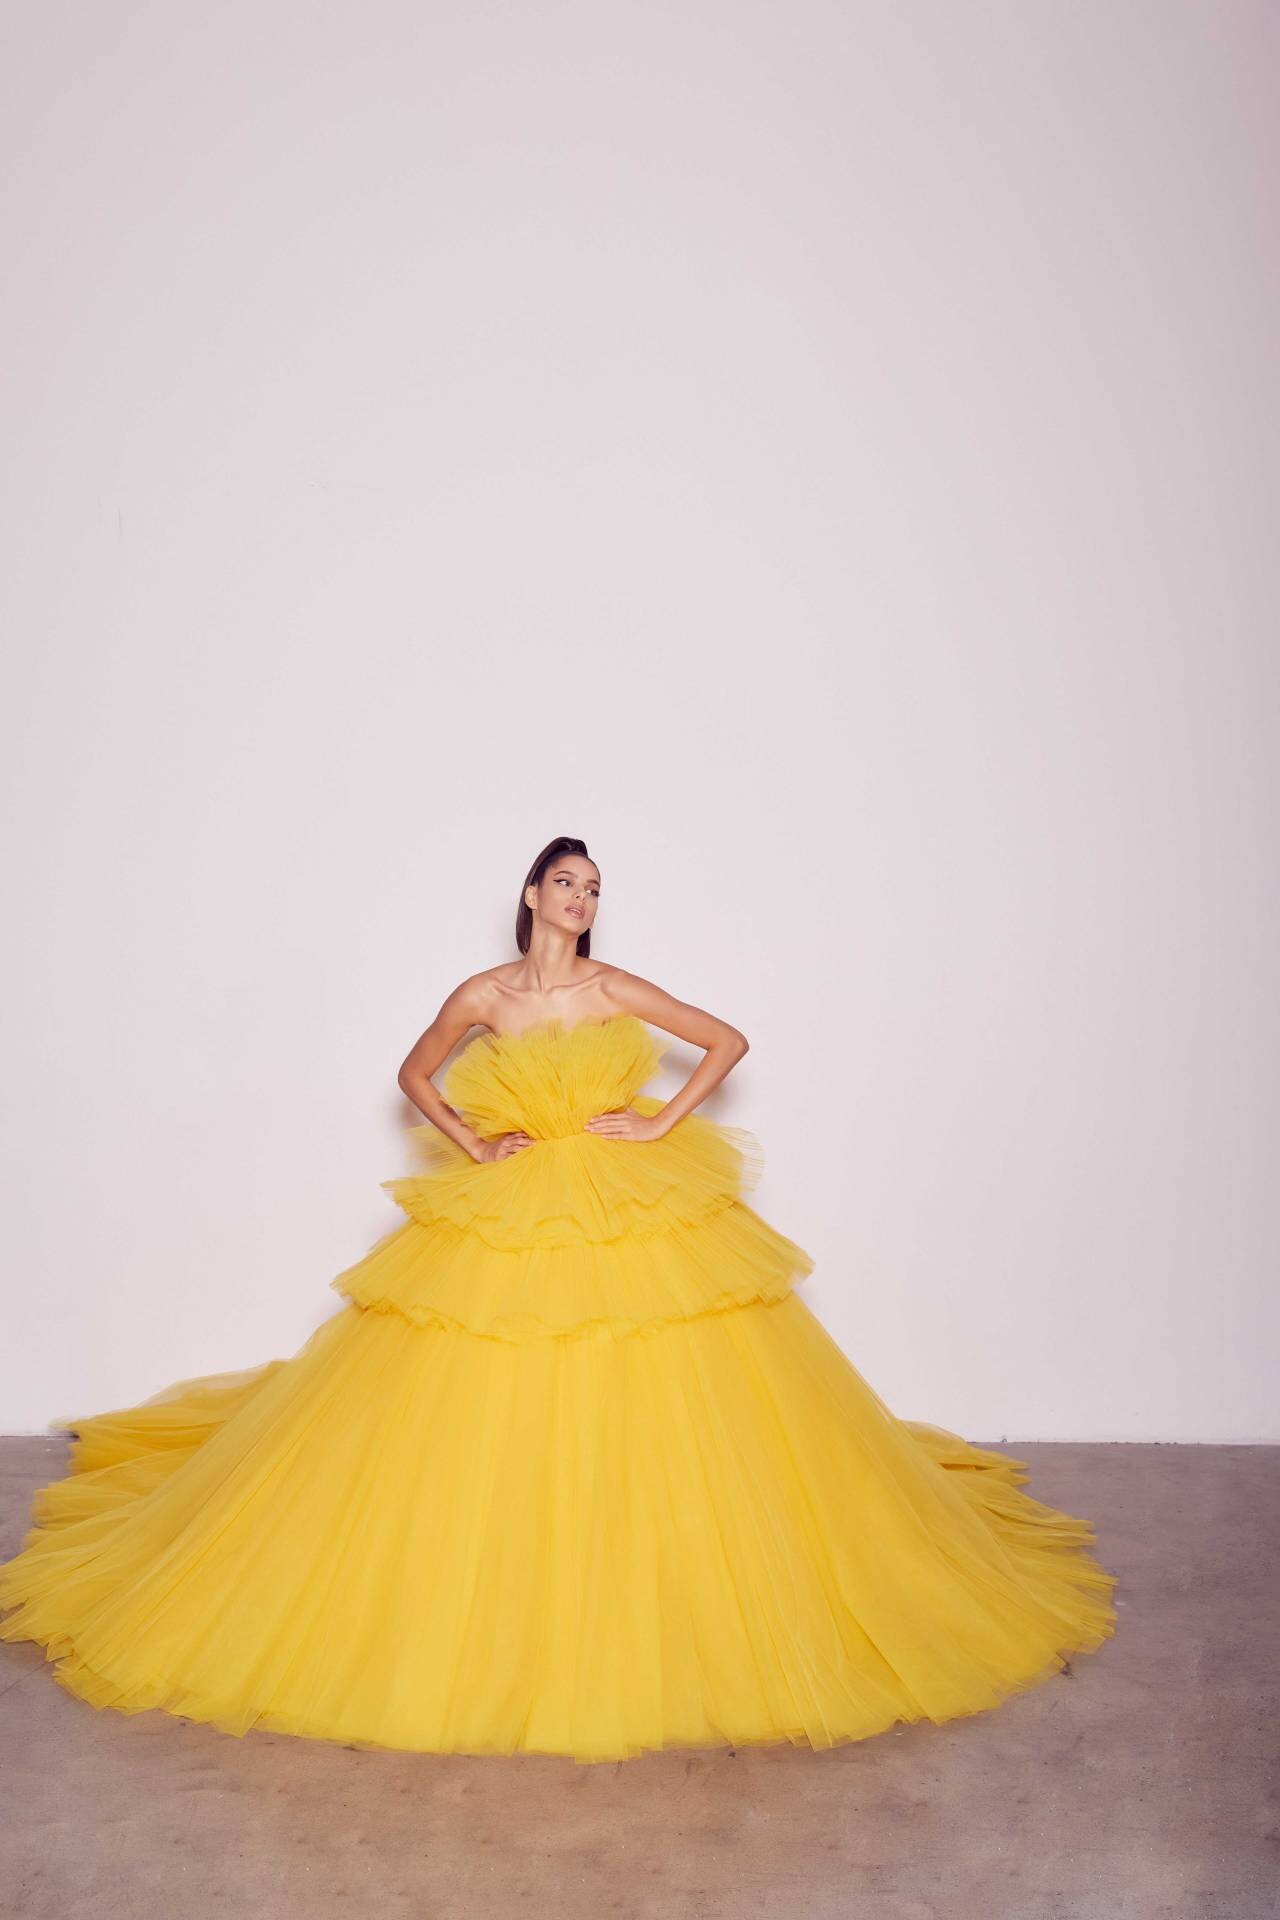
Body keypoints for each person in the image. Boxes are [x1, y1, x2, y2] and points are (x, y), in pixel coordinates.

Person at [0, 835, 1118, 1763]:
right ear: (532, 893)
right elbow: (415, 1073)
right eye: (567, 882)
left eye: (594, 888)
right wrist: (471, 1143)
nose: (582, 899)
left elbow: (725, 1039)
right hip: (517, 1194)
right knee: (470, 1375)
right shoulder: (483, 995)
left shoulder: (610, 987)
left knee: (659, 1372)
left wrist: (661, 1120)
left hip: (622, 1196)